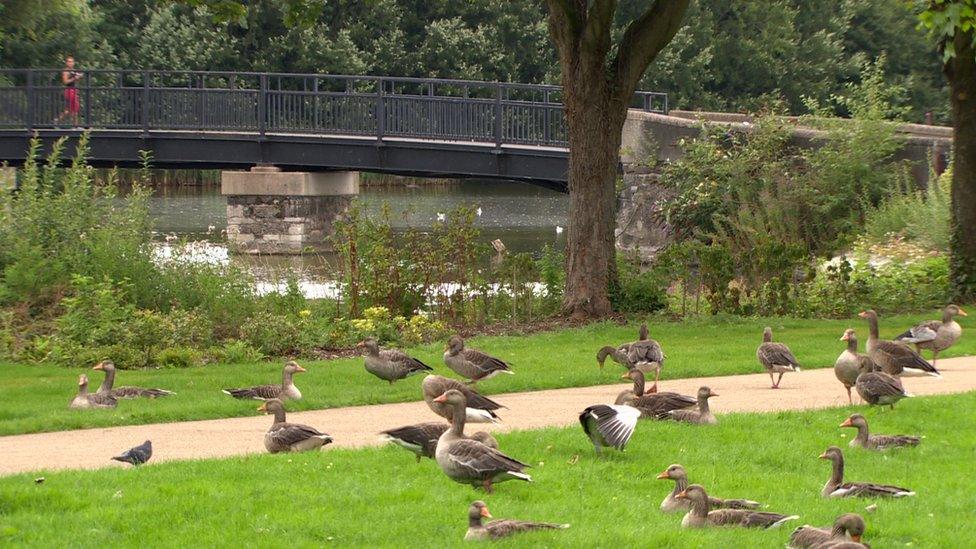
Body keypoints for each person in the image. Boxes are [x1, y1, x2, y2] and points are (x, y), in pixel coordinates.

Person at [55, 56, 82, 127]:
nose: (70, 63)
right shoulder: (66, 71)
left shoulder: (74, 70)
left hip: (74, 90)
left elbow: (77, 80)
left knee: (71, 109)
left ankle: (57, 121)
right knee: (73, 108)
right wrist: (74, 78)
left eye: (72, 62)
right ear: (66, 63)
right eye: (69, 62)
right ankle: (75, 125)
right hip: (69, 90)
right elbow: (65, 81)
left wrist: (78, 77)